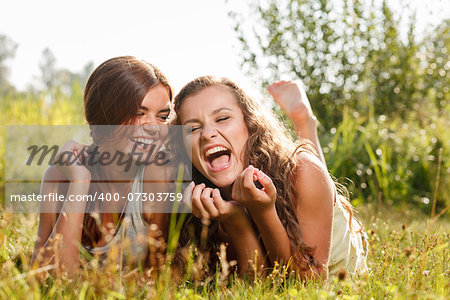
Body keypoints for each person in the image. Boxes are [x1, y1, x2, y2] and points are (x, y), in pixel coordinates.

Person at [174, 76, 368, 279]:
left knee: (309, 169)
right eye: (192, 128)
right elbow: (260, 284)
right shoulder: (204, 201)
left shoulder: (303, 169)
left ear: (250, 123)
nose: (207, 134)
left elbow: (308, 283)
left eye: (222, 119)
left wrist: (264, 211)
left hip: (338, 253)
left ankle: (304, 122)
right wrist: (235, 219)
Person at [31, 56, 174, 274]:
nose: (155, 128)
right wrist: (79, 181)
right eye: (139, 113)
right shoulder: (60, 176)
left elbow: (154, 279)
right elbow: (45, 278)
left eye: (162, 117)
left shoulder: (157, 176)